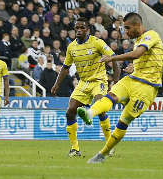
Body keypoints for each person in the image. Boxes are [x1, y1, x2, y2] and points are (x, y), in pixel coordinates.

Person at [78, 13, 163, 164]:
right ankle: (90, 113)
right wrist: (134, 67)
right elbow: (142, 58)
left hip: (147, 89)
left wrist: (113, 57)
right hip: (133, 79)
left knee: (123, 121)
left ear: (138, 25)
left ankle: (102, 154)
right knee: (111, 96)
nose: (126, 32)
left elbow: (137, 54)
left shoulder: (151, 35)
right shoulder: (138, 40)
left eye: (128, 28)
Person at [51, 18, 119, 157]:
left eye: (82, 28)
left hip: (98, 80)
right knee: (70, 111)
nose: (79, 30)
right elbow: (65, 68)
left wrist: (116, 82)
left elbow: (114, 58)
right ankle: (75, 149)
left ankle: (109, 146)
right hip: (83, 82)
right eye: (77, 28)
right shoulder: (72, 47)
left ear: (87, 29)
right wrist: (56, 84)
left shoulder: (97, 42)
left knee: (100, 107)